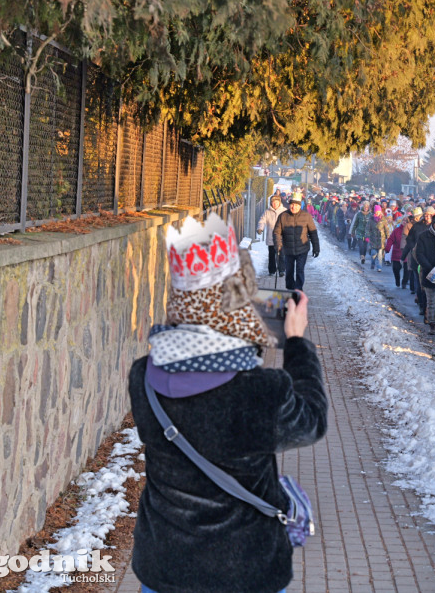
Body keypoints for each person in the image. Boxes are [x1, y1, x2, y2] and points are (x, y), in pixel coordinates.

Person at [130, 214, 327, 593]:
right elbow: (312, 420)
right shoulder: (260, 391)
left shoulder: (144, 378)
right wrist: (298, 343)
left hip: (164, 570)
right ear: (237, 311)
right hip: (246, 573)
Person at [273, 192, 320, 291]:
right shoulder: (283, 216)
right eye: (292, 204)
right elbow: (276, 232)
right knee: (289, 271)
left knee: (299, 270)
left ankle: (298, 290)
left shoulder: (306, 216)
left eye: (296, 205)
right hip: (288, 249)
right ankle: (290, 289)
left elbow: (313, 233)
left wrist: (316, 248)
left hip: (302, 249)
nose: (293, 207)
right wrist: (278, 245)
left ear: (300, 206)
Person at [256, 194, 286, 277]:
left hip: (281, 237)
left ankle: (282, 270)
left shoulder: (284, 211)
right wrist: (260, 228)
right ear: (271, 203)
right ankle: (272, 270)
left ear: (279, 203)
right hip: (271, 237)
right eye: (273, 202)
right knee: (272, 255)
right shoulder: (267, 212)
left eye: (276, 202)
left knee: (281, 254)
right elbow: (262, 221)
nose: (275, 204)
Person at [385, 216, 411, 288]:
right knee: (396, 269)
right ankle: (397, 280)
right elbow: (390, 239)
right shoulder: (396, 230)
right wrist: (388, 248)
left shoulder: (411, 230)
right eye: (404, 220)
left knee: (407, 270)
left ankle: (404, 283)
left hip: (407, 254)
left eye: (406, 221)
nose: (404, 222)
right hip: (397, 253)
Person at [366, 205, 391, 271]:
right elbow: (368, 228)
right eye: (376, 212)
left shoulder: (383, 219)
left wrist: (388, 237)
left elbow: (386, 229)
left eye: (379, 212)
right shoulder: (371, 219)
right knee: (373, 254)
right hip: (373, 239)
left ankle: (379, 267)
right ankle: (373, 263)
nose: (377, 213)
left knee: (380, 255)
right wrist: (367, 236)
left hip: (381, 240)